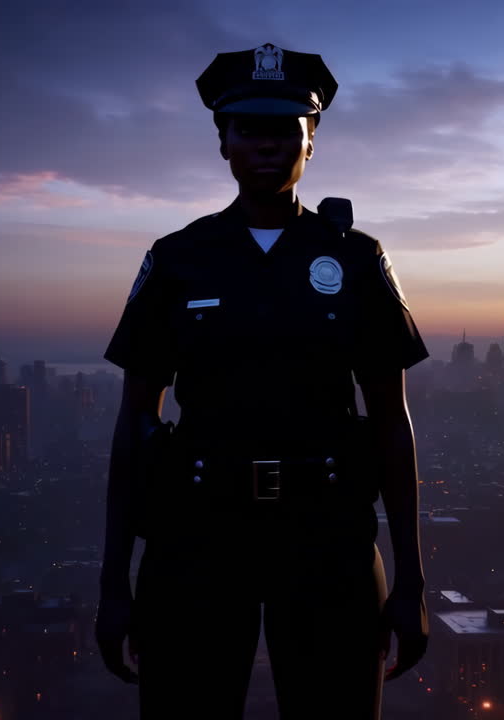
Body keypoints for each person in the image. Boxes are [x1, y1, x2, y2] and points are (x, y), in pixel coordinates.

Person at [96, 43, 430, 720]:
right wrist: (113, 583)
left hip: (328, 539)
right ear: (222, 140)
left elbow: (391, 420)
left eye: (285, 129)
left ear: (312, 140)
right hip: (196, 540)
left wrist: (412, 580)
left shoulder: (357, 260)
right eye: (249, 128)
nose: (268, 145)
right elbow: (135, 422)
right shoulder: (179, 260)